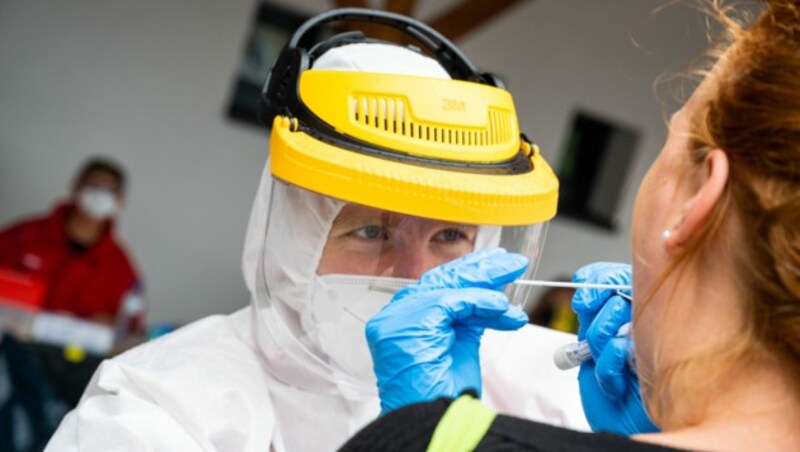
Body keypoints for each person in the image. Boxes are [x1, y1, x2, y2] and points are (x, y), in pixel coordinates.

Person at [45, 9, 588, 452]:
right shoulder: (157, 408)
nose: (415, 277)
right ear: (294, 239)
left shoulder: (545, 392)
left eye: (450, 236)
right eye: (373, 231)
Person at [344, 0, 800, 450]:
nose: (413, 268)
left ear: (697, 202)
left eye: (672, 137)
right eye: (372, 231)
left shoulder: (432, 440)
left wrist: (428, 439)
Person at [0, 157, 144, 342]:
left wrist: (114, 324)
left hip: (71, 361)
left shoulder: (119, 266)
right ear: (76, 187)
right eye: (94, 185)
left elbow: (131, 325)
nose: (99, 195)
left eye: (109, 190)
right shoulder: (25, 236)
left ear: (120, 200)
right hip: (10, 344)